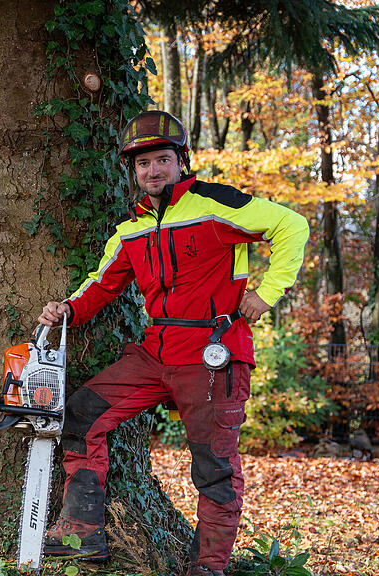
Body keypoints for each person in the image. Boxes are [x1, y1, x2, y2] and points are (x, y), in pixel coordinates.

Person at [37, 110, 309, 576]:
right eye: (143, 164)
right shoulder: (133, 227)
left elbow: (292, 225)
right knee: (81, 414)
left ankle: (209, 567)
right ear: (133, 171)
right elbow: (102, 283)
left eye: (162, 159)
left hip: (213, 354)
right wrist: (67, 309)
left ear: (181, 161)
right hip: (154, 351)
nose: (153, 170)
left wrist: (268, 293)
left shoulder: (215, 205)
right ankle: (81, 534)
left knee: (214, 465)